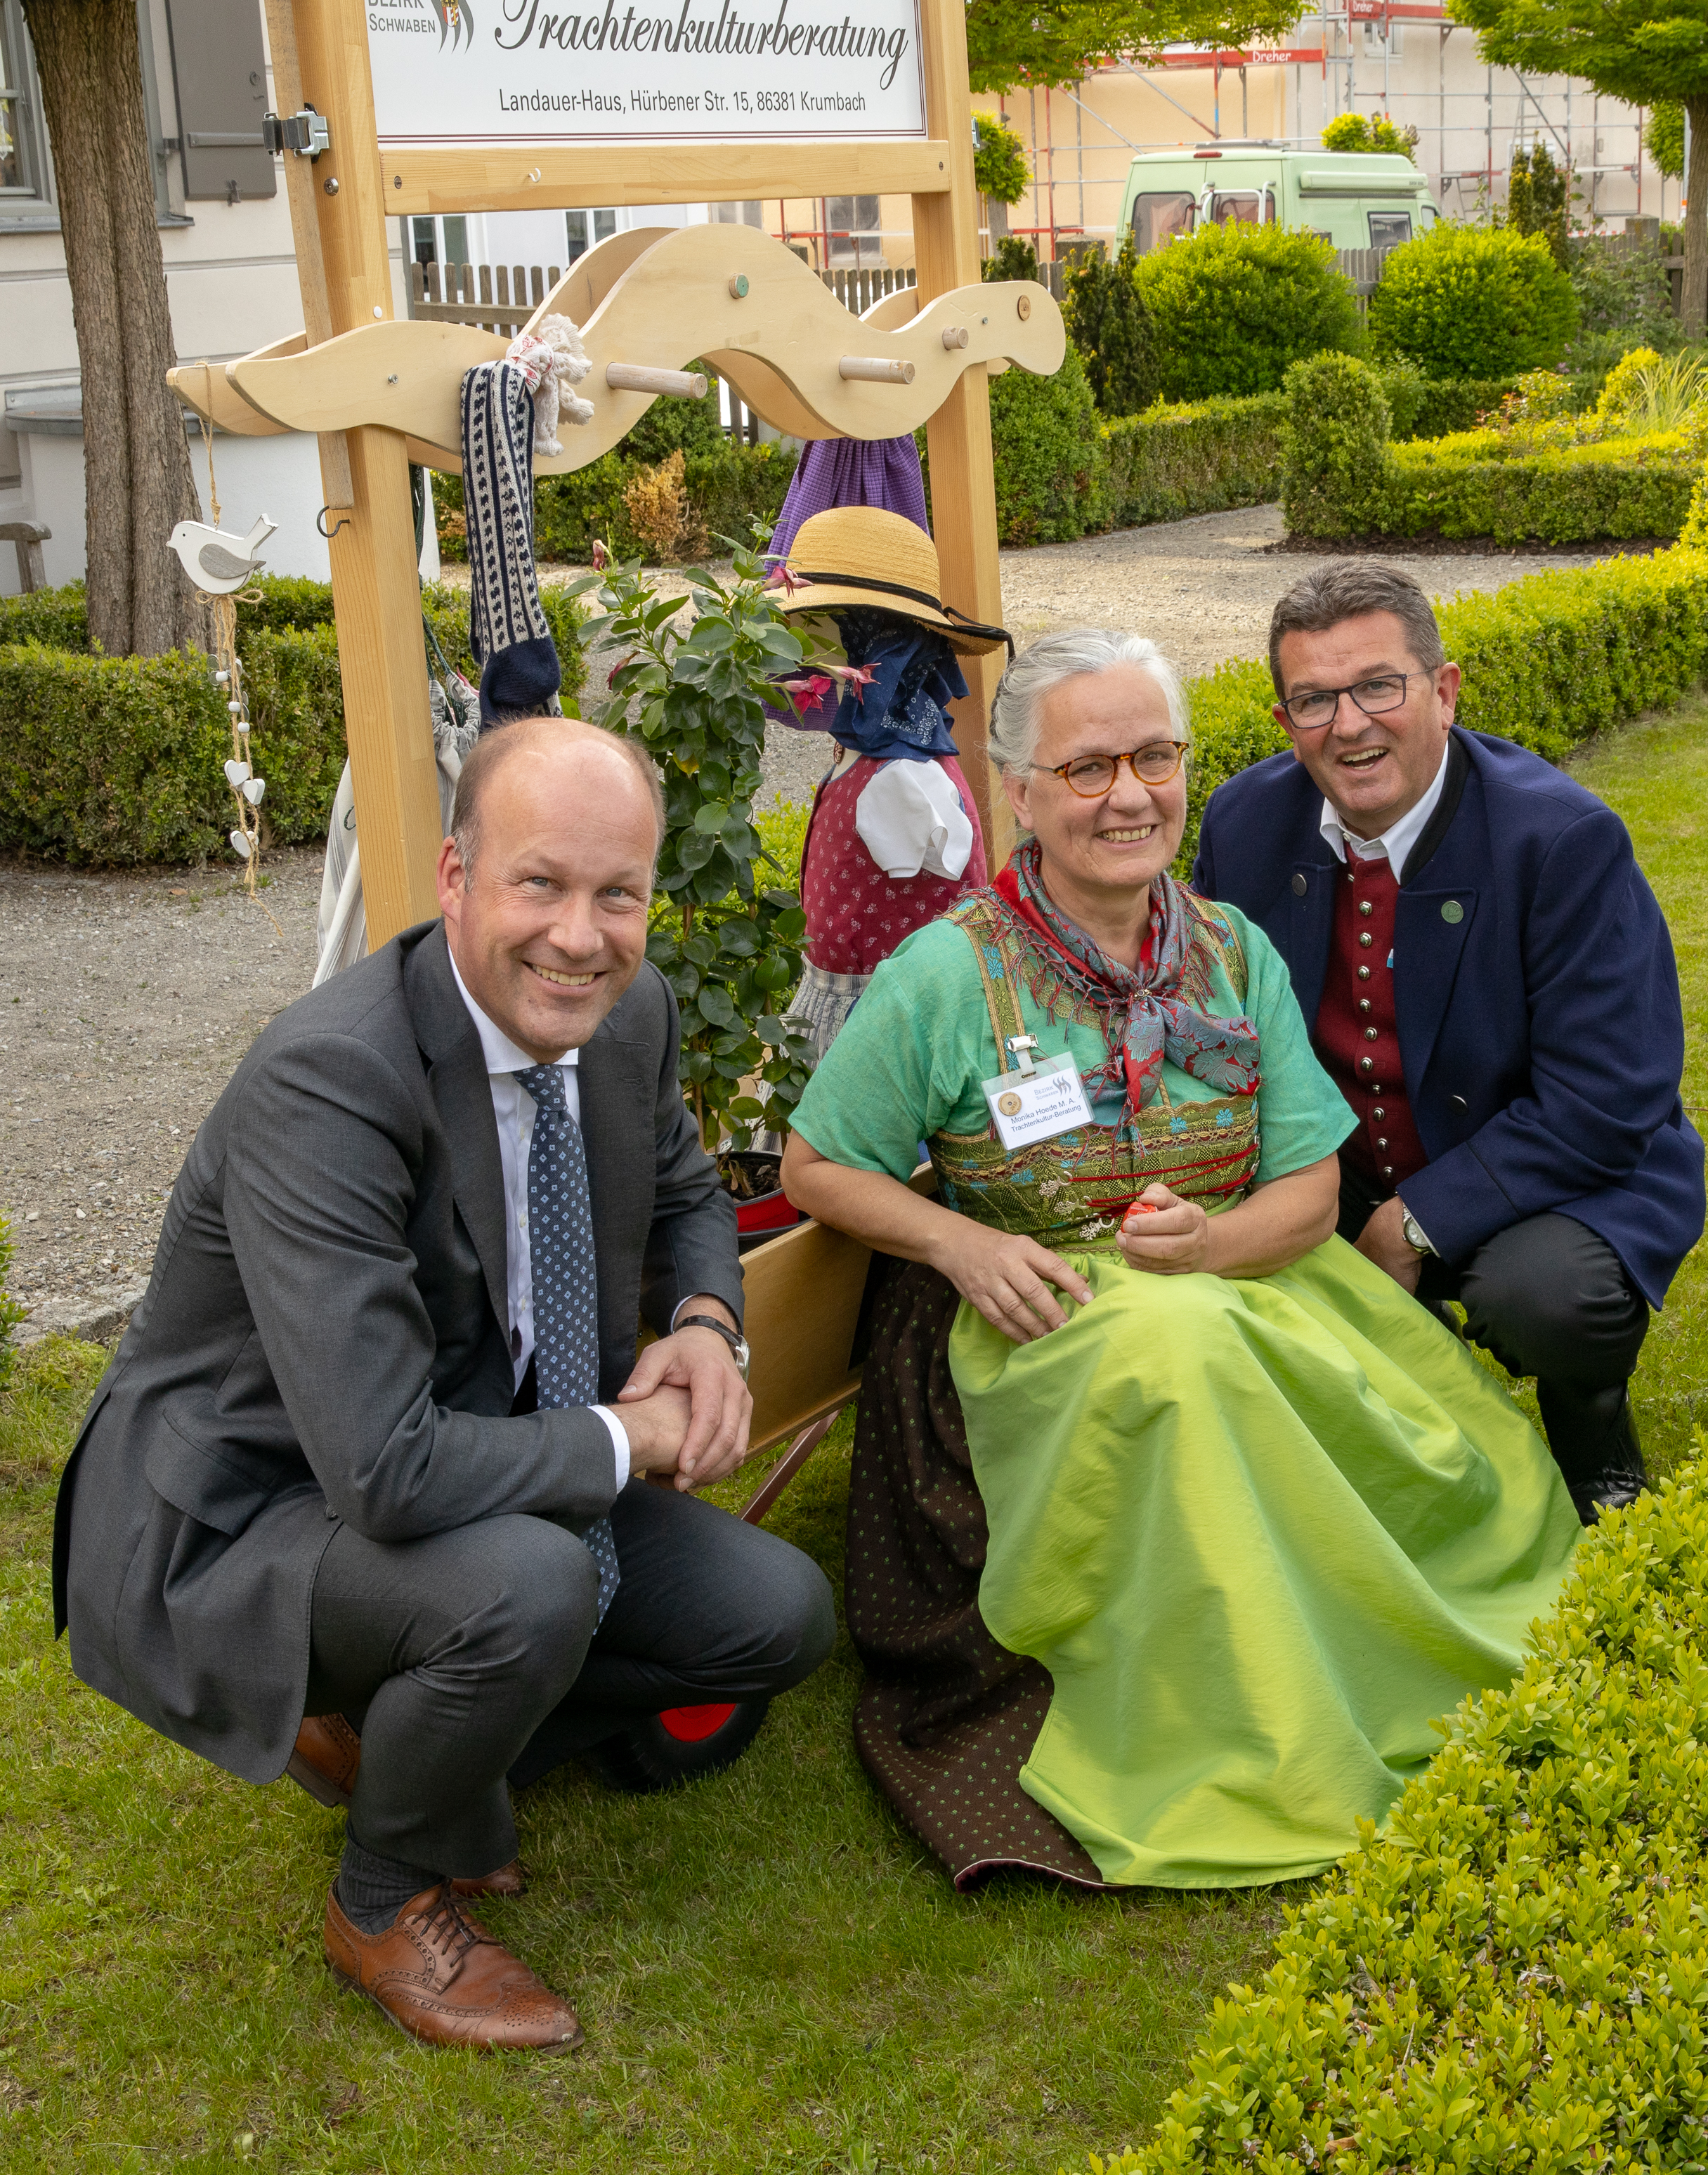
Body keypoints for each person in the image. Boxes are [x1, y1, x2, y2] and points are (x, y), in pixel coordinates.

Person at [50, 717, 837, 2052]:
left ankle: (408, 1737)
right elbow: (385, 1470)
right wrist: (629, 1435)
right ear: (456, 877)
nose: (580, 936)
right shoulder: (333, 1078)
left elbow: (691, 1194)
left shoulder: (626, 1016)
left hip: (473, 1438)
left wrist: (707, 1321)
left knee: (779, 1617)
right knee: (522, 1589)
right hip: (255, 1505)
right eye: (540, 883)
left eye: (618, 893)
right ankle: (381, 1896)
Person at [779, 628, 1579, 1891]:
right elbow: (815, 1165)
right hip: (1041, 1319)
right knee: (1185, 1355)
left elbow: (1311, 1189)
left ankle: (1391, 1637)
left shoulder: (1232, 951)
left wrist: (1210, 1244)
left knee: (1401, 1429)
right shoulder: (942, 976)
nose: (1130, 796)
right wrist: (960, 1239)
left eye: (1154, 757)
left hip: (1238, 1279)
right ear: (1019, 794)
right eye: (1088, 767)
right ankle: (1252, 1722)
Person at [1191, 561, 1704, 1523]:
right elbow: (1222, 1026)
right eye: (1312, 700)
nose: (1348, 725)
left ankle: (1590, 1425)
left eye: (1377, 686)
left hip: (1544, 1172)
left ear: (1444, 689)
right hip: (1334, 1164)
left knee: (1549, 1298)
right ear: (1282, 724)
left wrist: (1415, 1221)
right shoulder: (1241, 821)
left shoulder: (1560, 839)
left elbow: (1606, 1098)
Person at [768, 505, 1005, 1057]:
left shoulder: (902, 776)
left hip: (881, 1029)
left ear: (864, 641)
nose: (795, 634)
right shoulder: (877, 753)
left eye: (812, 620)